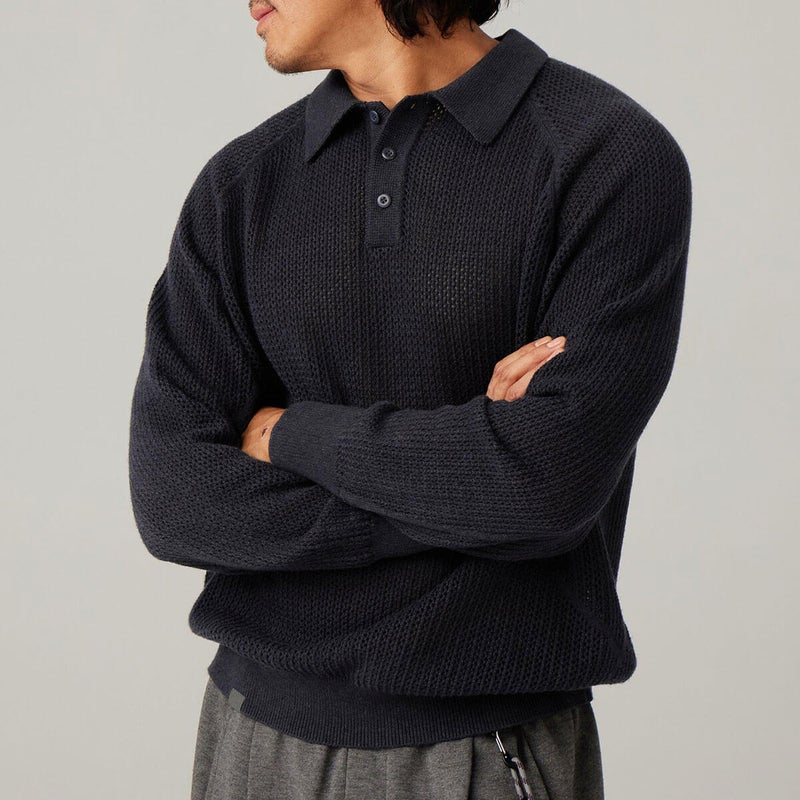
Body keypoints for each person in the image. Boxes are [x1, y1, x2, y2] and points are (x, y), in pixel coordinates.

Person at [127, 0, 692, 797]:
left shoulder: (605, 157)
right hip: (252, 739)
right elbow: (175, 500)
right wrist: (471, 483)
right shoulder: (242, 184)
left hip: (483, 748)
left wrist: (293, 435)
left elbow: (546, 485)